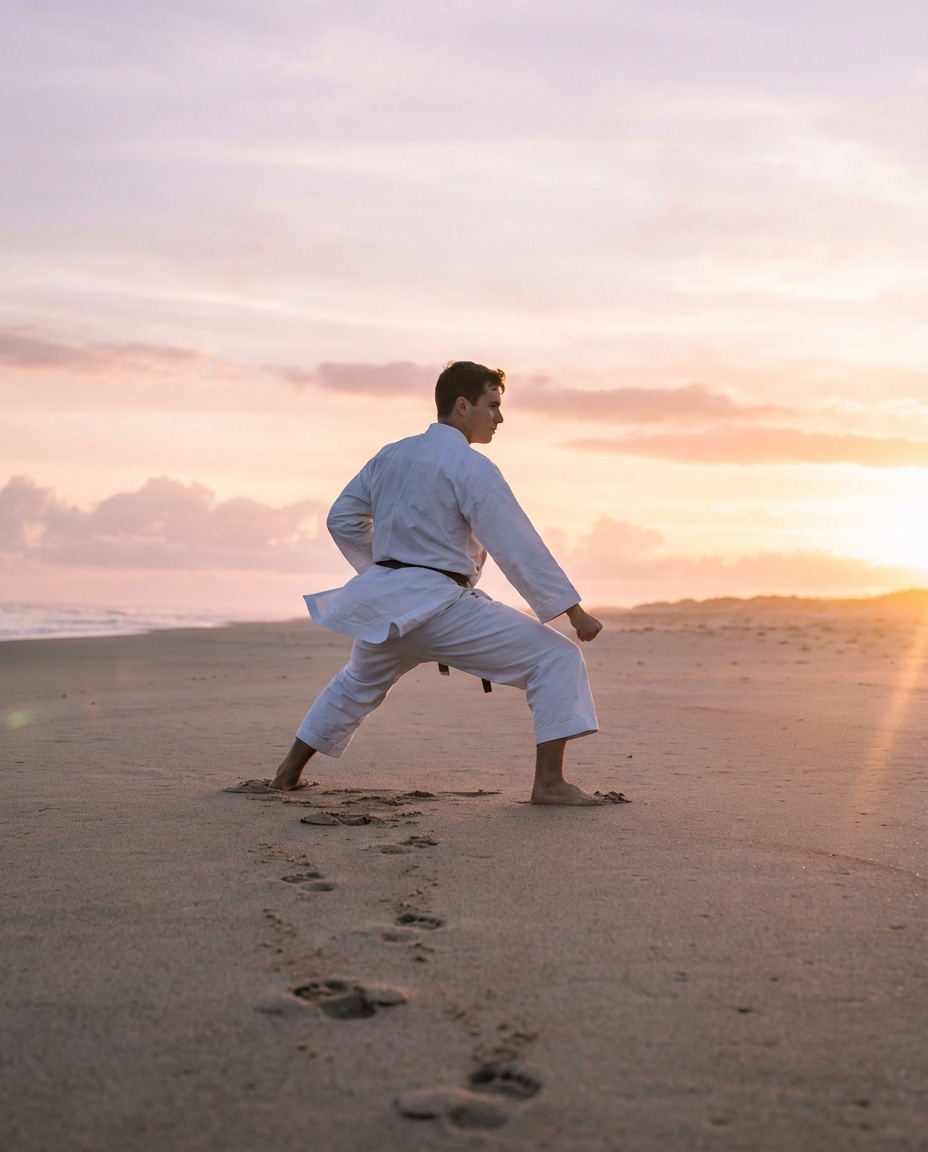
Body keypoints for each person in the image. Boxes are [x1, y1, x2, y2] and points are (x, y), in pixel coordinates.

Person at [270, 360, 605, 805]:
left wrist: (386, 572)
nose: (500, 418)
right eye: (492, 405)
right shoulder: (470, 465)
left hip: (385, 605)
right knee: (557, 658)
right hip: (440, 606)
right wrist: (573, 611)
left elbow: (342, 519)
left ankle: (286, 775)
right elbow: (516, 544)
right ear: (463, 405)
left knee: (355, 685)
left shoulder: (391, 454)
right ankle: (549, 784)